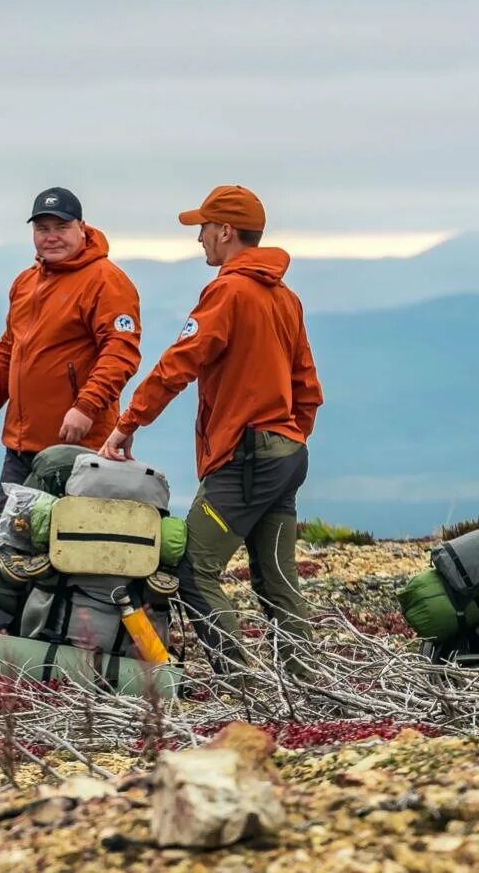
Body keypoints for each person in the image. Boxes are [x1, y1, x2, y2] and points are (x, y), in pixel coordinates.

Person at [100, 185, 323, 676]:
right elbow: (306, 382)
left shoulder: (229, 291)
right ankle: (305, 686)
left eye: (203, 228)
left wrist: (128, 423)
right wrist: (292, 433)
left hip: (247, 456)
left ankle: (242, 683)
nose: (198, 237)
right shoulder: (284, 295)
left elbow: (180, 362)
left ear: (225, 232)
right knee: (278, 581)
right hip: (285, 454)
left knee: (192, 570)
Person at [0, 187, 142, 654]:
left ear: (82, 228)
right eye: (42, 228)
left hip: (79, 453)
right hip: (21, 445)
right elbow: (8, 349)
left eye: (60, 227)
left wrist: (86, 406)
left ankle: (68, 648)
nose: (50, 237)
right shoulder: (26, 282)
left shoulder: (106, 281)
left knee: (73, 553)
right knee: (1, 551)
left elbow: (121, 352)